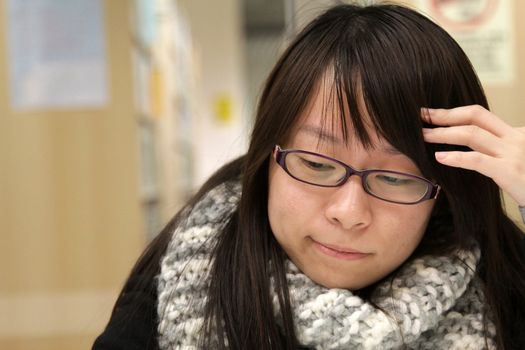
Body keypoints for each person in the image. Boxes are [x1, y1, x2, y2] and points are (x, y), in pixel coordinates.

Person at [93, 3, 525, 349]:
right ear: (267, 156)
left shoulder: (506, 281)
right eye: (317, 165)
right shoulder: (188, 268)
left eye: (395, 179)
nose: (349, 212)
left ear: (444, 194)